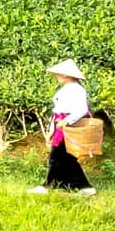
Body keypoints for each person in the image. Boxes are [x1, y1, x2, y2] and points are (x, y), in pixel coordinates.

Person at [44, 58, 94, 192]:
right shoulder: (66, 89)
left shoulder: (77, 90)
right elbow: (57, 112)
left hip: (67, 127)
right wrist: (52, 129)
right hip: (60, 125)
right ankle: (60, 184)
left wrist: (67, 121)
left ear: (66, 75)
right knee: (62, 157)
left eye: (58, 74)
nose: (56, 76)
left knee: (59, 157)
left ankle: (81, 186)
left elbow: (82, 109)